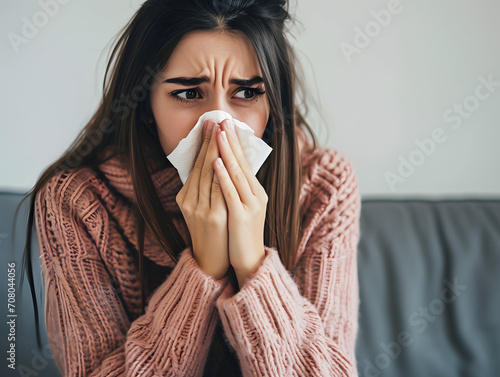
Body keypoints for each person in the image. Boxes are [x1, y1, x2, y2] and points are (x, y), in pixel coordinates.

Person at [17, 0, 362, 375]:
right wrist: (204, 268)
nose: (219, 125)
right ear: (145, 103)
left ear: (273, 104)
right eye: (188, 93)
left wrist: (251, 262)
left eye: (246, 93)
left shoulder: (323, 187)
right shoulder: (77, 199)